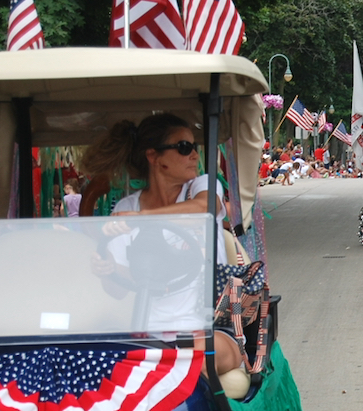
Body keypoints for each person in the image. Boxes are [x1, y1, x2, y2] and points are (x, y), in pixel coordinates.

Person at [78, 113, 242, 375]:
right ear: (154, 157)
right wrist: (107, 269)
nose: (194, 156)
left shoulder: (201, 187)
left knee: (187, 363)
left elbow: (205, 209)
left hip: (207, 326)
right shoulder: (126, 207)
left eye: (194, 148)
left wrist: (142, 220)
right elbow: (118, 290)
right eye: (184, 148)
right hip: (146, 331)